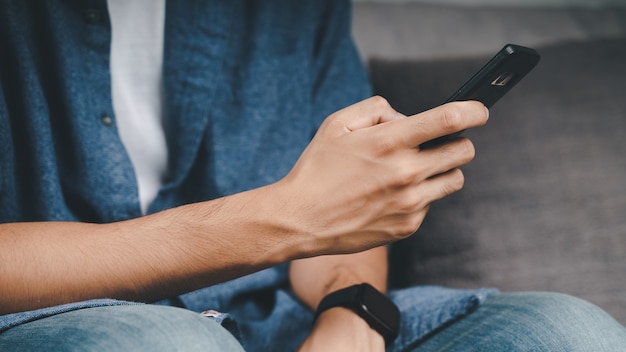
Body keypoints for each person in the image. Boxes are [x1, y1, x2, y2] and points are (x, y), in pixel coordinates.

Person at [1, 1, 625, 351]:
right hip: (58, 324)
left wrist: (350, 317)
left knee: (569, 335)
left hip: (279, 323)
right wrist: (288, 216)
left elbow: (345, 227)